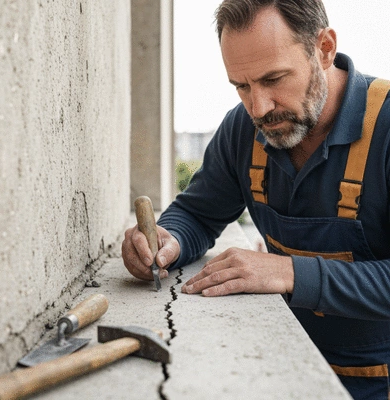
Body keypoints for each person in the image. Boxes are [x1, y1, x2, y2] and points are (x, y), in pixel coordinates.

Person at [122, 1, 390, 398]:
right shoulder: (242, 130)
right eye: (242, 86)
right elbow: (197, 212)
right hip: (282, 369)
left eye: (274, 79)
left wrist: (290, 273)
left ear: (325, 48)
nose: (259, 107)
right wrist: (167, 240)